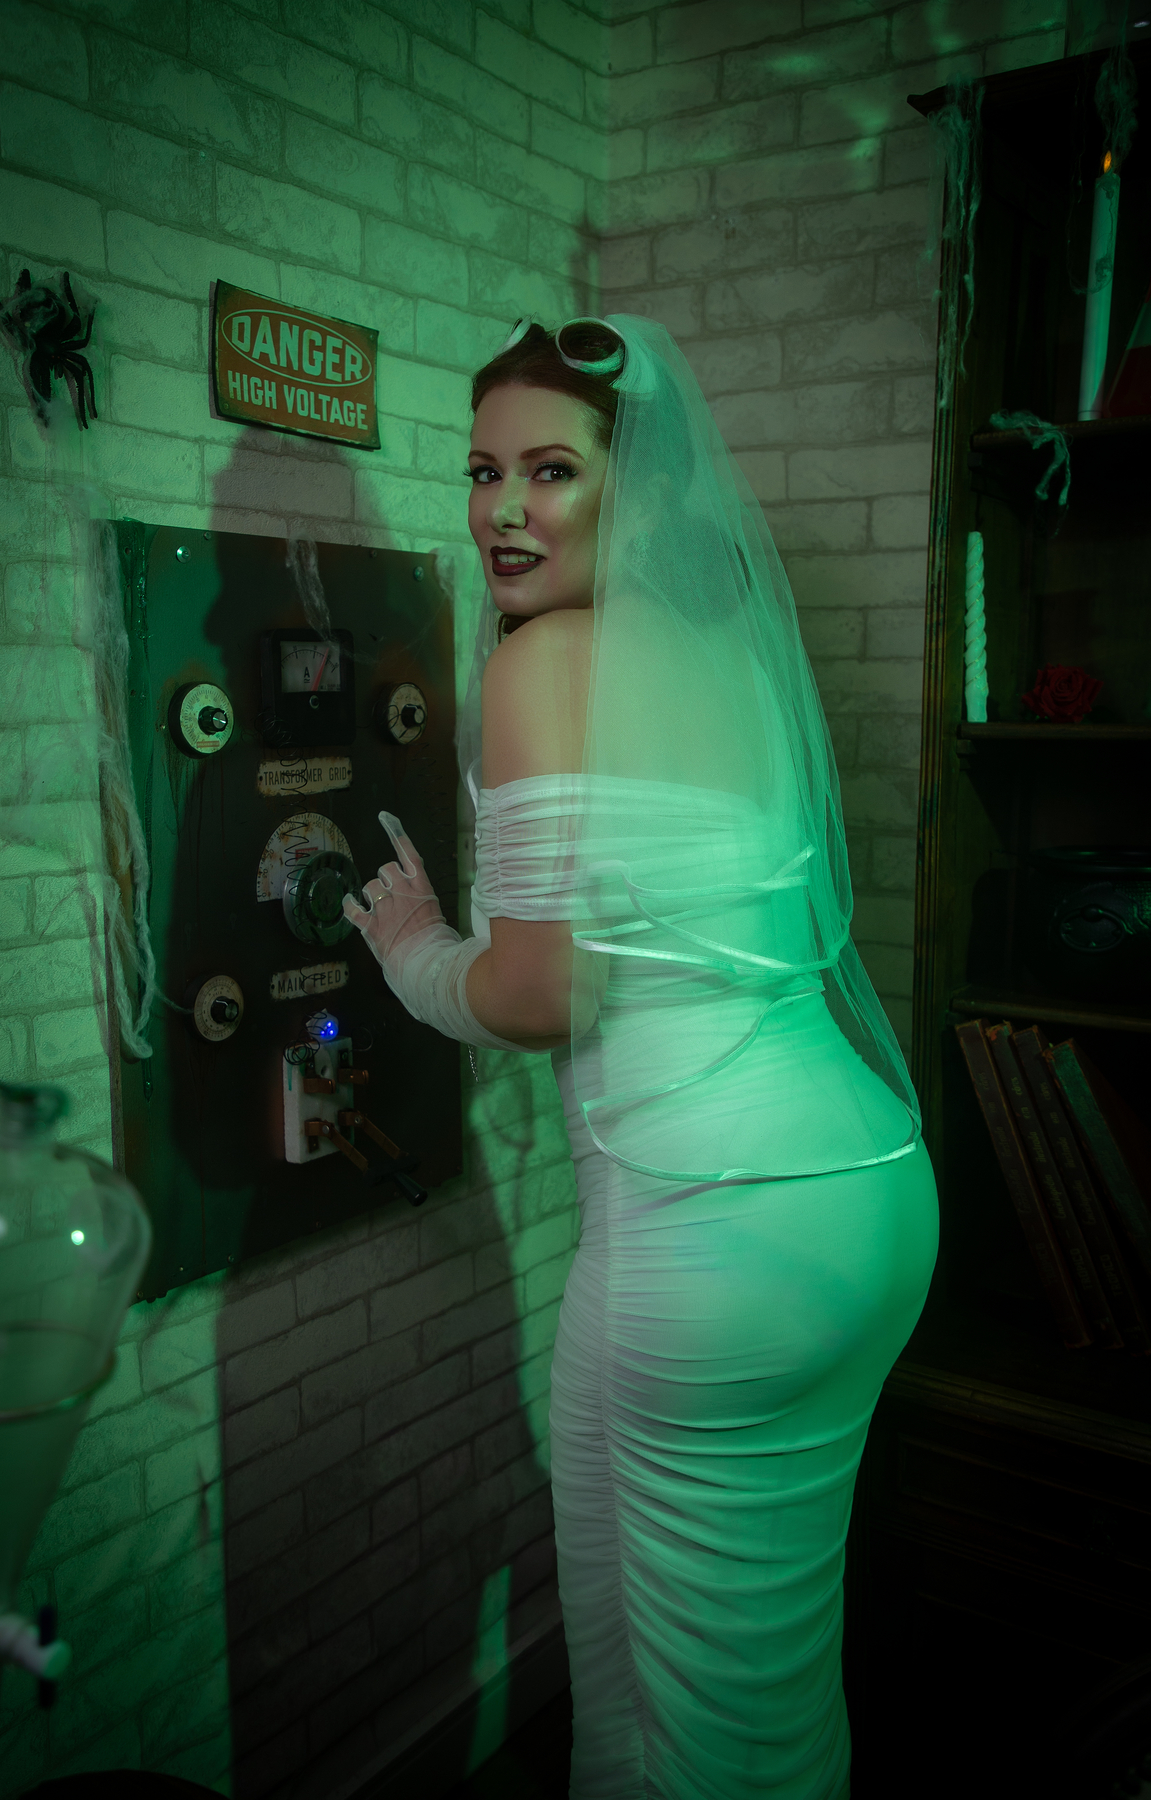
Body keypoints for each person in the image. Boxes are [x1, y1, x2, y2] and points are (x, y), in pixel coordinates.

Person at [345, 316, 939, 1800]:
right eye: (482, 472)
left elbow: (547, 993)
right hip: (868, 1196)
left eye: (552, 471)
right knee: (745, 1667)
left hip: (710, 1232)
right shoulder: (734, 659)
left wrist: (414, 953)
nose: (504, 510)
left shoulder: (544, 663)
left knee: (687, 1710)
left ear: (642, 486)